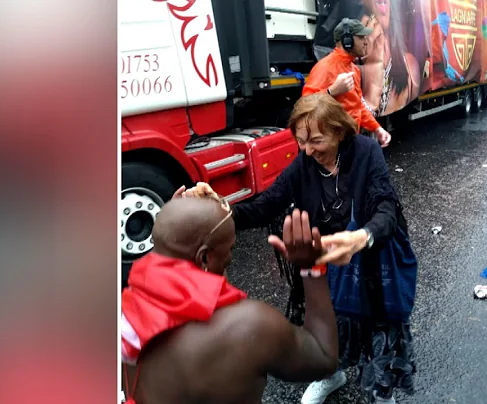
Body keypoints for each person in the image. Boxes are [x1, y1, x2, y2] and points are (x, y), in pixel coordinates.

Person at [177, 93, 417, 404]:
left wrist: (362, 237)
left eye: (315, 140)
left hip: (368, 261)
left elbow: (386, 206)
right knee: (325, 325)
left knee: (377, 329)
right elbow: (265, 206)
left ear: (339, 131)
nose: (306, 150)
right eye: (301, 141)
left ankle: (382, 394)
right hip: (324, 265)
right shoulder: (304, 164)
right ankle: (331, 374)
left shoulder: (366, 152)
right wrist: (219, 209)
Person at [120, 196, 339, 404]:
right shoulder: (249, 325)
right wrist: (312, 267)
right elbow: (324, 357)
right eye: (230, 249)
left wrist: (180, 220)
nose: (231, 258)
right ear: (204, 257)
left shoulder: (126, 313)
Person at [302, 18, 392, 148]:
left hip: (350, 140)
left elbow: (358, 105)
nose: (366, 42)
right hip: (333, 146)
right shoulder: (325, 67)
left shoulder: (353, 69)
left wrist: (377, 128)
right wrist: (331, 91)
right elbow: (305, 107)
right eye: (361, 38)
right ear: (347, 41)